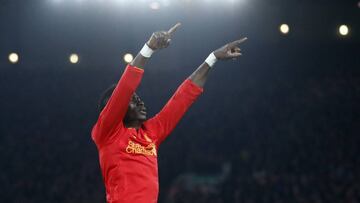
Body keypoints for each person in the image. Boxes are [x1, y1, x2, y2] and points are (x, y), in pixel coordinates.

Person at [91, 22, 247, 203]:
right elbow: (125, 87)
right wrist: (148, 48)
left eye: (137, 97)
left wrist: (212, 58)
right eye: (132, 100)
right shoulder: (108, 133)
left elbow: (181, 99)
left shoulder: (151, 134)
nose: (139, 101)